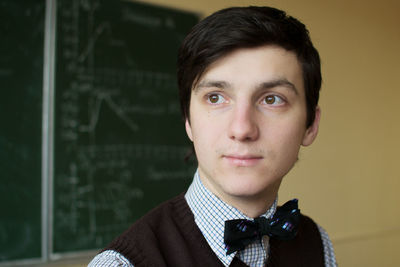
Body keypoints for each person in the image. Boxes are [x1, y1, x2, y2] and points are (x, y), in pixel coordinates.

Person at [89, 6, 337, 267]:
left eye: (272, 99)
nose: (242, 129)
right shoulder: (121, 265)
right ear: (188, 121)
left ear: (310, 125)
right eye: (215, 98)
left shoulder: (318, 244)